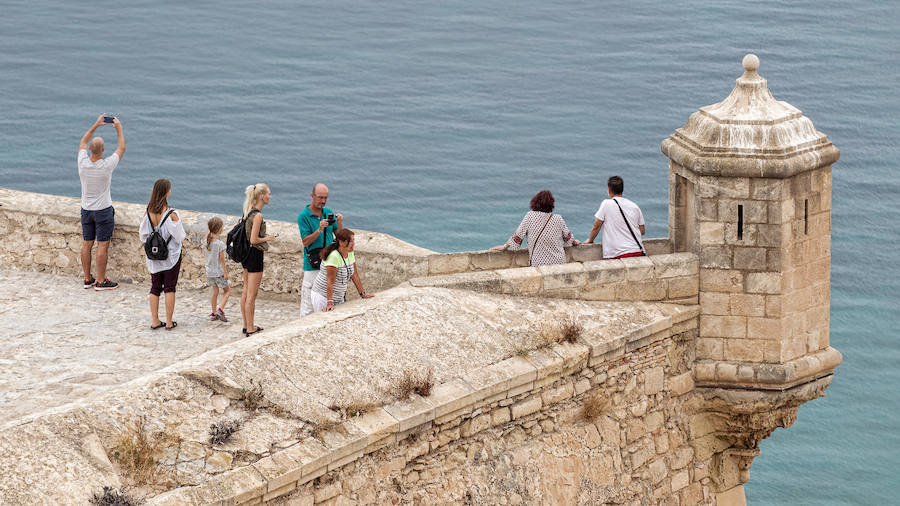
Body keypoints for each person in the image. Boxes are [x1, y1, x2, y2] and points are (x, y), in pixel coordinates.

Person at [77, 113, 125, 290]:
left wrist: (96, 125)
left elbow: (83, 141)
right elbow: (121, 148)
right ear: (103, 151)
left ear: (90, 149)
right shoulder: (107, 166)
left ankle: (87, 279)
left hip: (86, 209)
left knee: (87, 243)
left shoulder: (82, 163)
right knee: (102, 246)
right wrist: (119, 128)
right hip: (103, 210)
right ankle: (101, 280)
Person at [139, 179, 185, 330]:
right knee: (169, 288)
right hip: (171, 257)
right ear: (167, 192)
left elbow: (143, 236)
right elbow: (179, 237)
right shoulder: (172, 214)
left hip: (154, 258)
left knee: (155, 287)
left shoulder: (148, 212)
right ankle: (170, 322)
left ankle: (155, 320)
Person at [492, 190, 580, 266]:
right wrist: (574, 242)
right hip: (559, 262)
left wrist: (505, 246)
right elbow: (568, 237)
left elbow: (518, 235)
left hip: (539, 263)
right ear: (551, 204)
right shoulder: (558, 218)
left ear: (535, 202)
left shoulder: (530, 216)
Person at [298, 183, 343, 316]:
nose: (323, 201)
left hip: (329, 261)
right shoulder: (304, 216)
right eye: (320, 198)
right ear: (312, 196)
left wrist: (339, 223)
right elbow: (305, 241)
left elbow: (339, 236)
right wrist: (319, 229)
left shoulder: (328, 212)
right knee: (308, 302)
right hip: (313, 264)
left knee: (328, 298)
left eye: (325, 198)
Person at [310, 228, 374, 312]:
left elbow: (354, 274)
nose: (353, 244)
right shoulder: (334, 256)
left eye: (353, 240)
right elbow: (330, 281)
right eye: (350, 241)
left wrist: (363, 294)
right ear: (341, 242)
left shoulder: (350, 252)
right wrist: (329, 303)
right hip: (323, 297)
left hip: (338, 297)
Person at [241, 184, 276, 336]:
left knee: (246, 292)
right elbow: (254, 239)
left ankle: (246, 324)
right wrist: (269, 238)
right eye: (268, 194)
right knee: (251, 295)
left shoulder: (248, 212)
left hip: (246, 255)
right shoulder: (258, 215)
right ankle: (250, 328)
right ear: (262, 196)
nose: (270, 196)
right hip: (255, 255)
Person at [585, 176, 646, 259]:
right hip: (637, 251)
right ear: (622, 189)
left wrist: (590, 240)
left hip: (617, 254)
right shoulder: (634, 206)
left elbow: (597, 226)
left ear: (609, 190)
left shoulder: (606, 204)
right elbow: (642, 231)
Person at [203, 217, 231, 322]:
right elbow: (222, 259)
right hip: (219, 272)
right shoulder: (220, 244)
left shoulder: (206, 242)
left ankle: (213, 313)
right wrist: (225, 272)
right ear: (219, 229)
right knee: (227, 291)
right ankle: (220, 310)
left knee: (214, 292)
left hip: (209, 272)